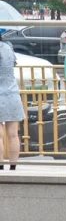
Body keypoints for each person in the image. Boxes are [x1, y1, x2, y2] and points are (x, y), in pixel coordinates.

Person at [0, 29, 24, 171]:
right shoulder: (8, 46)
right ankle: (13, 167)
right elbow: (13, 64)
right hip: (12, 93)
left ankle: (0, 166)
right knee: (13, 134)